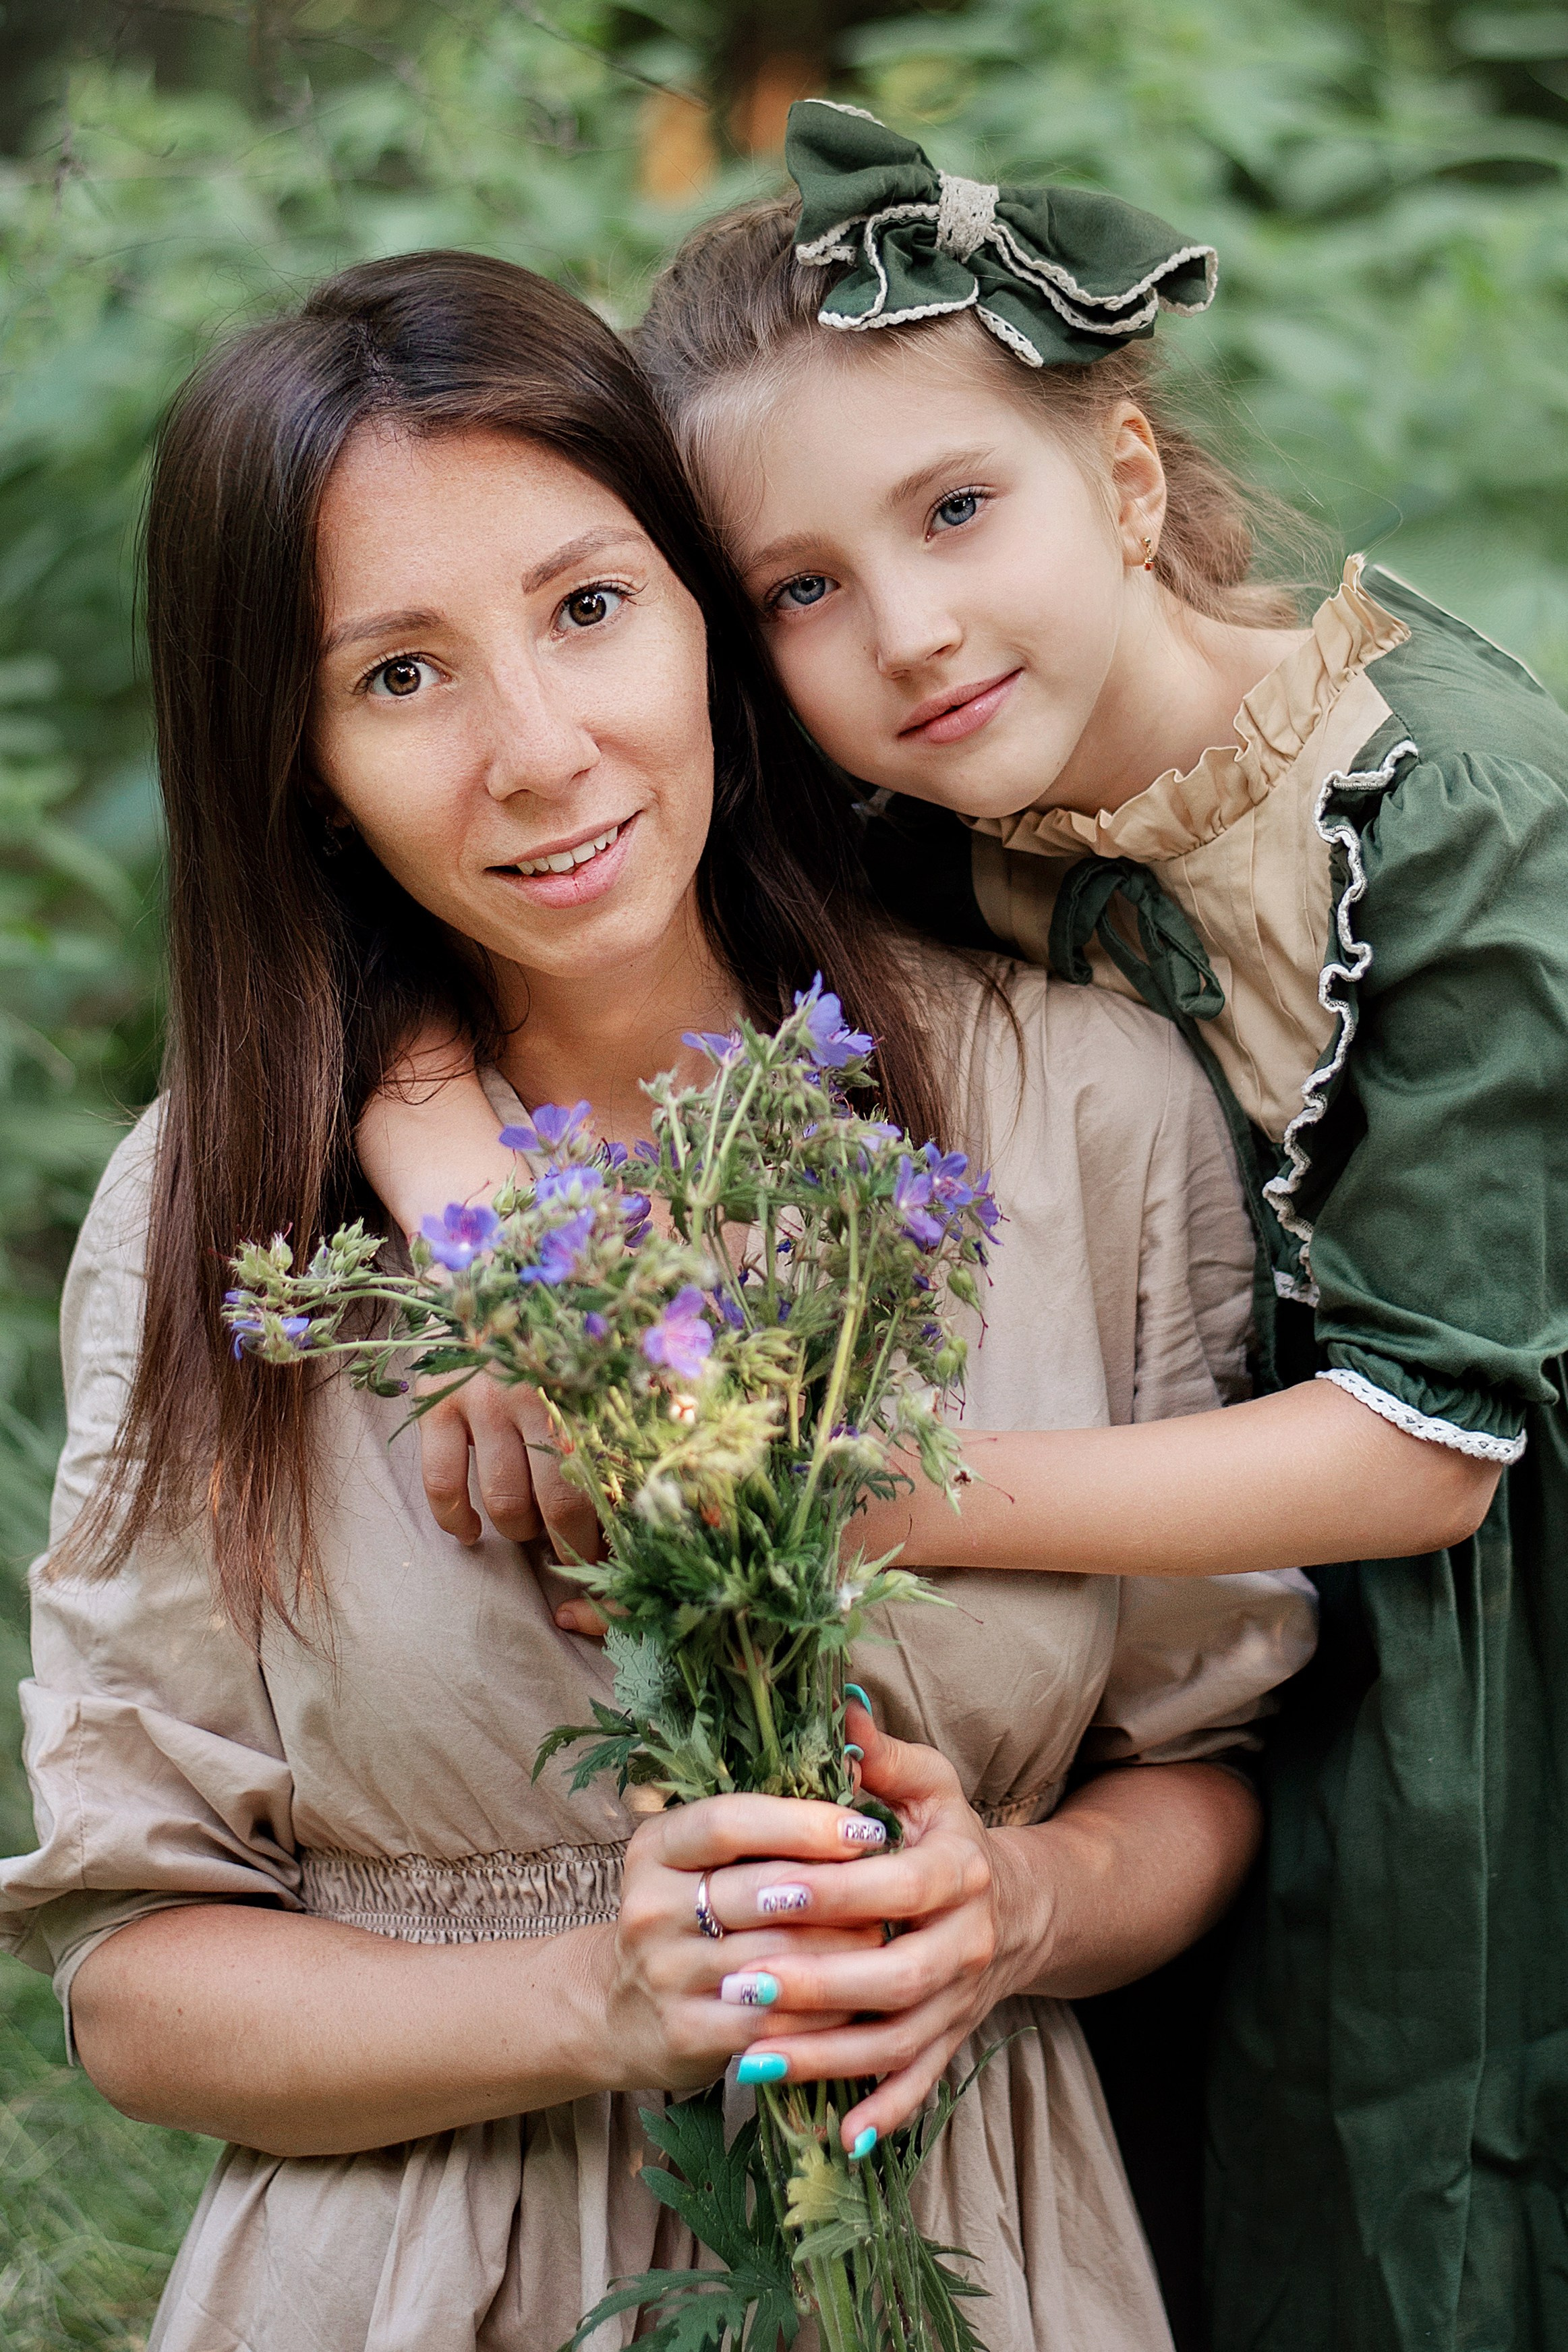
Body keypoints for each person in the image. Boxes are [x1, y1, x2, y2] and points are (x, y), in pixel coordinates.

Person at [0, 250, 1314, 2352]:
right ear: (298, 760)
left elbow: (1215, 1759)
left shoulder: (1084, 1114)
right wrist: (583, 2003)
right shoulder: (222, 1212)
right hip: (416, 2284)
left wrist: (1014, 1908)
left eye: (590, 608)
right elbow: (135, 1985)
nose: (541, 750)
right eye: (398, 676)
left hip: (974, 2249)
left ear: (710, 612)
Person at [378, 103, 1568, 2352]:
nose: (907, 632)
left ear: (1125, 479)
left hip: (1474, 1683)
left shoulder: (1457, 819)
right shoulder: (932, 811)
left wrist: (855, 1493)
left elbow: (1427, 1439)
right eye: (801, 592)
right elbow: (400, 1004)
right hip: (1153, 1690)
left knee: (1422, 2221)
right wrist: (493, 1280)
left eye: (955, 509)